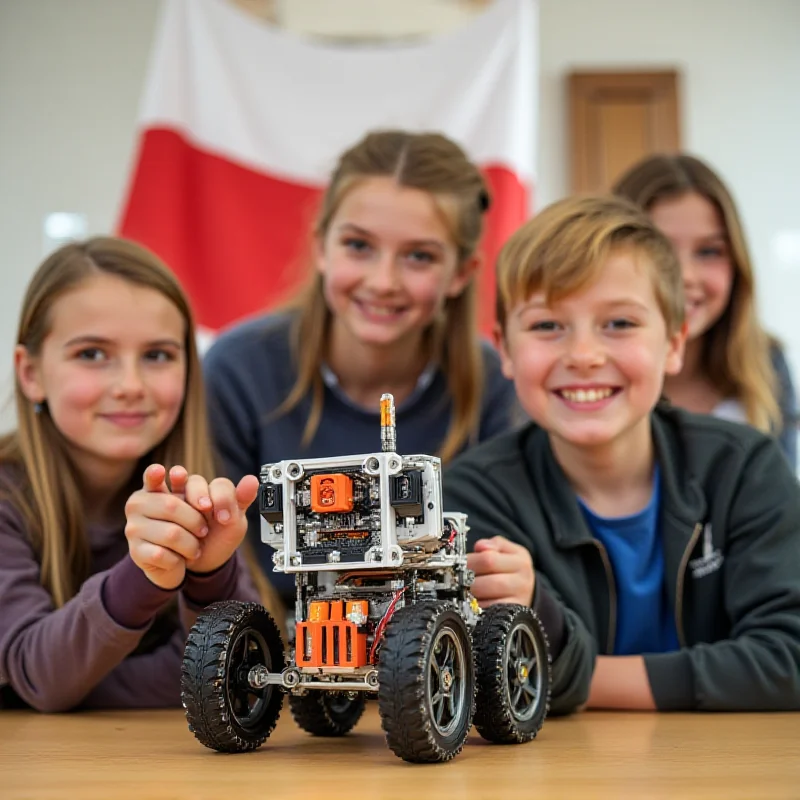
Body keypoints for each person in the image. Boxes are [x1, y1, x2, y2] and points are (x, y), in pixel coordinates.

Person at [443, 195, 800, 712]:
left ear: (674, 343)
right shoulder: (472, 494)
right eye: (547, 326)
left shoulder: (744, 466)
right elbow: (481, 683)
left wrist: (581, 677)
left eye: (620, 324)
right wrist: (534, 607)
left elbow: (788, 658)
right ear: (506, 350)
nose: (584, 356)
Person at [204, 129, 519, 607]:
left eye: (419, 256)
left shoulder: (498, 388)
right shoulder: (236, 372)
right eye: (358, 245)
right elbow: (218, 570)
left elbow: (488, 577)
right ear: (321, 247)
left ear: (460, 273)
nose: (383, 281)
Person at [0, 237, 260, 712]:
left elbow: (243, 677)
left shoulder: (197, 497)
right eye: (92, 354)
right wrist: (147, 574)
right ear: (30, 372)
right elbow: (39, 675)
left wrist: (211, 573)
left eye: (158, 355)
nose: (130, 386)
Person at [613, 154, 797, 468]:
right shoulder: (589, 370)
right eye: (660, 251)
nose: (686, 275)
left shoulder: (766, 363)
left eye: (709, 251)